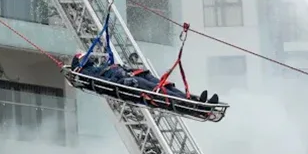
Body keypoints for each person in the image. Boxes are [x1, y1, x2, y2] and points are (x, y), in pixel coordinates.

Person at [70, 52, 220, 104]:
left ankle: (195, 99)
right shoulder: (87, 75)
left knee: (165, 86)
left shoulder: (96, 67)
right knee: (159, 91)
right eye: (85, 57)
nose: (89, 58)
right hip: (131, 82)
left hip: (134, 74)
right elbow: (106, 84)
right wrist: (122, 81)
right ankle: (192, 104)